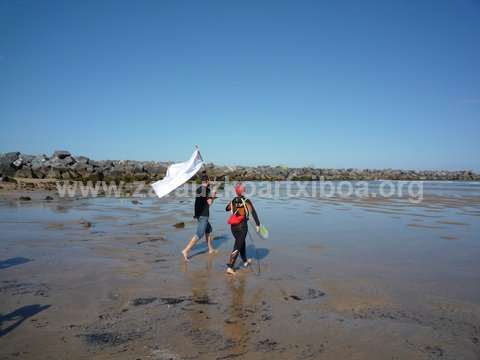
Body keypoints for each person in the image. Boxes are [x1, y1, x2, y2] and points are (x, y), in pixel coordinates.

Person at [225, 183, 261, 275]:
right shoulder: (246, 200)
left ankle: (245, 261)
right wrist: (258, 224)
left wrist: (233, 204)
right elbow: (253, 212)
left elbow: (227, 208)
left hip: (233, 227)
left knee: (241, 243)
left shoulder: (233, 200)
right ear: (243, 190)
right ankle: (230, 267)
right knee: (237, 245)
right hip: (242, 227)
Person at [182, 173, 217, 261]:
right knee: (200, 233)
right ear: (207, 181)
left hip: (198, 214)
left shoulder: (199, 189)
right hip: (203, 214)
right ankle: (186, 250)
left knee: (208, 229)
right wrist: (213, 196)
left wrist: (211, 194)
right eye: (209, 180)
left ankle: (210, 249)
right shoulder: (206, 190)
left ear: (202, 181)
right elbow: (209, 203)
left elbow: (202, 201)